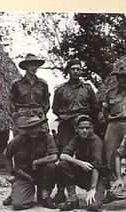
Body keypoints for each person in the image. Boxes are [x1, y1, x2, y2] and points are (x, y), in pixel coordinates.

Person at [52, 59, 100, 203]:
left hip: (82, 124)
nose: (75, 71)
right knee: (64, 156)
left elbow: (94, 106)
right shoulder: (60, 90)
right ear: (68, 71)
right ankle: (62, 191)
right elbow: (55, 108)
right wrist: (65, 116)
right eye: (73, 69)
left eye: (78, 69)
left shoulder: (87, 88)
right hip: (66, 126)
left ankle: (94, 185)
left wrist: (84, 120)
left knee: (89, 153)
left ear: (81, 70)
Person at [100, 65, 126, 202]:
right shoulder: (110, 93)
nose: (123, 80)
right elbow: (104, 111)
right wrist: (110, 122)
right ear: (117, 78)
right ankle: (112, 189)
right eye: (121, 77)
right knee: (111, 156)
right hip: (113, 126)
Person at [3, 116, 58, 210]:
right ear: (26, 129)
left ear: (41, 127)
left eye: (36, 127)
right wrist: (11, 173)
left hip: (41, 173)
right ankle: (17, 194)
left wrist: (37, 161)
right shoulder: (16, 141)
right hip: (23, 175)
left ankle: (44, 195)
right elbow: (7, 155)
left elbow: (54, 156)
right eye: (30, 128)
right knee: (19, 205)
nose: (33, 130)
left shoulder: (47, 138)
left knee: (52, 167)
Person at [57, 115, 107, 212]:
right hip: (84, 173)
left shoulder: (96, 141)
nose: (84, 131)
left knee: (93, 206)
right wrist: (80, 163)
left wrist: (93, 188)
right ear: (76, 129)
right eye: (81, 128)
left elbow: (96, 166)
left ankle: (100, 192)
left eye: (87, 128)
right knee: (63, 164)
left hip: (98, 177)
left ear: (91, 128)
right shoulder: (76, 139)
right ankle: (73, 199)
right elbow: (63, 155)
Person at [9, 53, 50, 134]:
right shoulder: (17, 84)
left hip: (39, 117)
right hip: (22, 117)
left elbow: (47, 102)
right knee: (20, 142)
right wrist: (15, 114)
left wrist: (41, 113)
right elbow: (12, 101)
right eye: (31, 65)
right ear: (26, 66)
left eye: (36, 65)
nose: (34, 67)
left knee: (41, 142)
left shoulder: (43, 84)